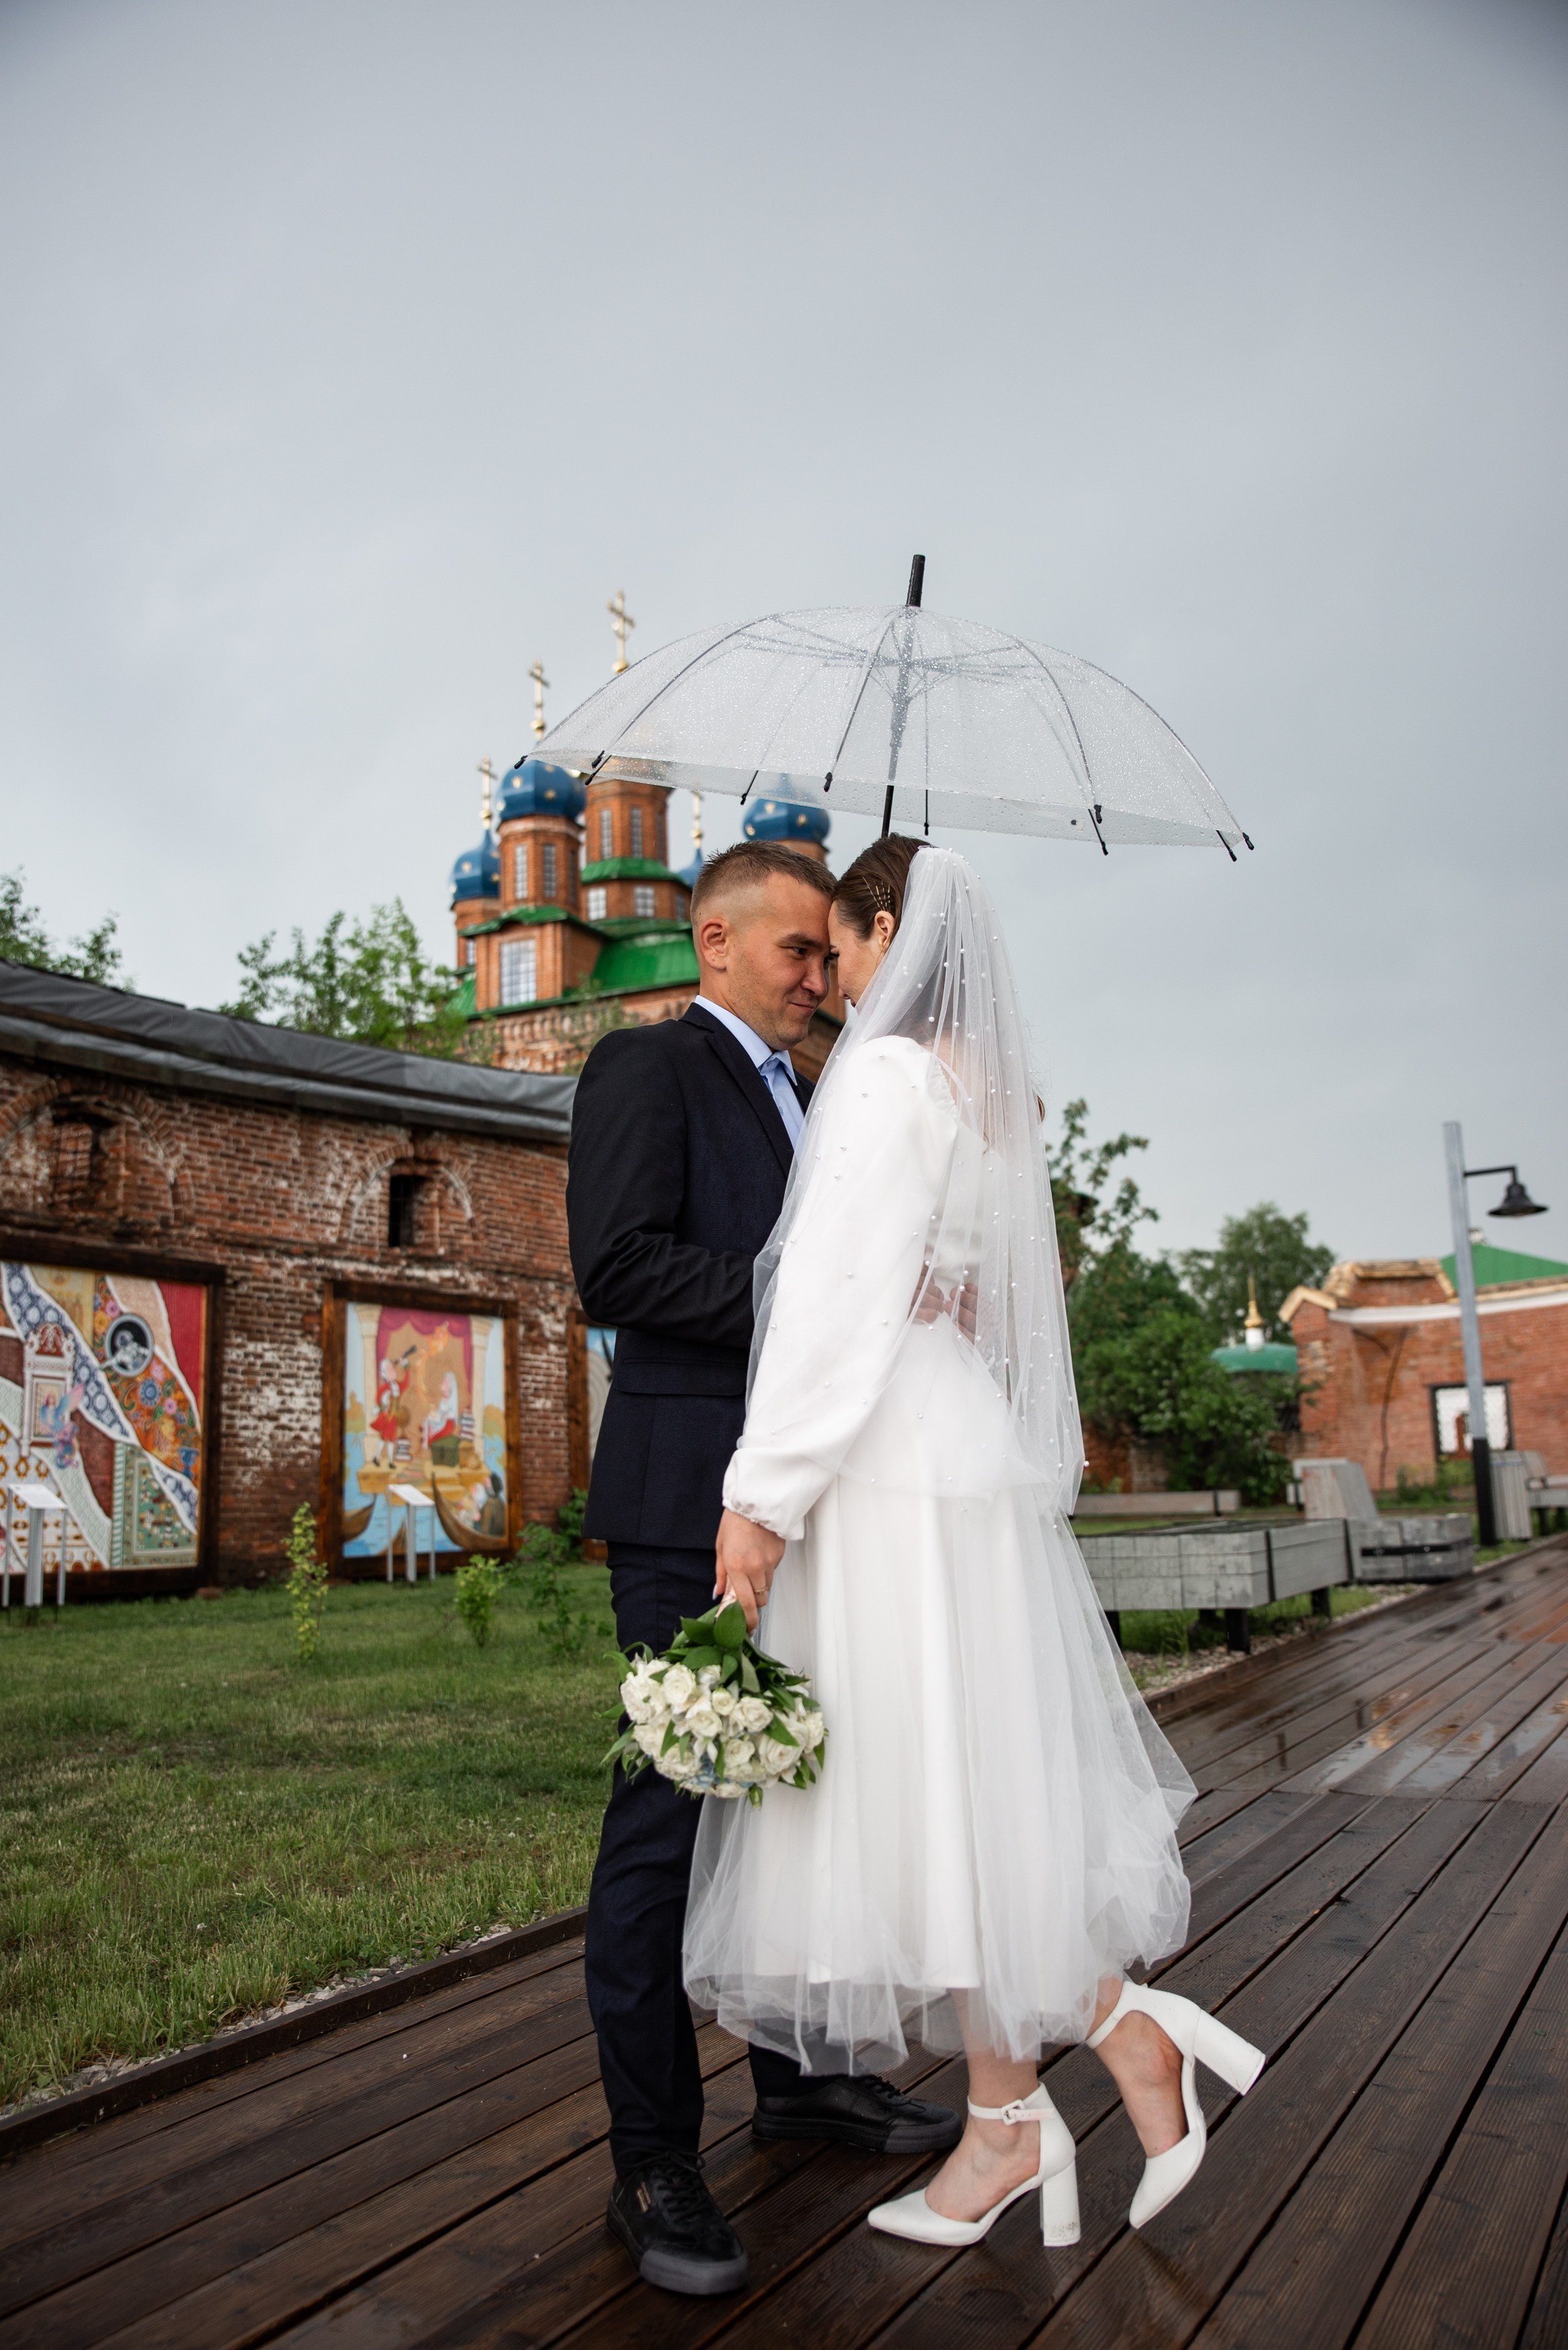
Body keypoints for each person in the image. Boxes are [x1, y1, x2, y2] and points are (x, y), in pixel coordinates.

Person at [687, 836, 1265, 2258]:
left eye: (845, 941)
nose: (831, 977)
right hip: (960, 1454)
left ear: (891, 930)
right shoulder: (988, 1094)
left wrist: (758, 1497)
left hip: (883, 1467)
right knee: (964, 1796)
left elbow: (834, 1304)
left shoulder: (883, 1080)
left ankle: (1124, 2029)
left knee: (913, 1807)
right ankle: (1005, 2124)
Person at [567, 840, 963, 2300]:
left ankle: (803, 2081)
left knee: (802, 1793)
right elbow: (616, 1267)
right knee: (669, 1817)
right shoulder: (643, 1071)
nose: (821, 976)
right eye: (796, 952)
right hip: (689, 1502)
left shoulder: (830, 1088)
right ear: (711, 943)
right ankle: (653, 2156)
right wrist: (813, 1292)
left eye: (827, 951)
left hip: (815, 1506)